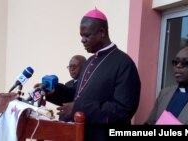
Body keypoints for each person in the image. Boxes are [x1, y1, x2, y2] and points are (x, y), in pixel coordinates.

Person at [45, 8, 141, 141]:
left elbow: (123, 110)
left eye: (86, 35)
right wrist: (54, 92)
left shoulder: (124, 63)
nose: (82, 40)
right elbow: (78, 94)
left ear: (101, 32)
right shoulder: (90, 61)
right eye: (81, 36)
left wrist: (79, 108)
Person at [46, 55, 86, 121]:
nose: (71, 69)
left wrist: (55, 88)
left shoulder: (86, 83)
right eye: (70, 66)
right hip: (63, 123)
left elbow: (72, 94)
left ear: (84, 67)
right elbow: (63, 100)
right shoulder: (68, 83)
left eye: (74, 66)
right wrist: (48, 93)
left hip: (76, 124)